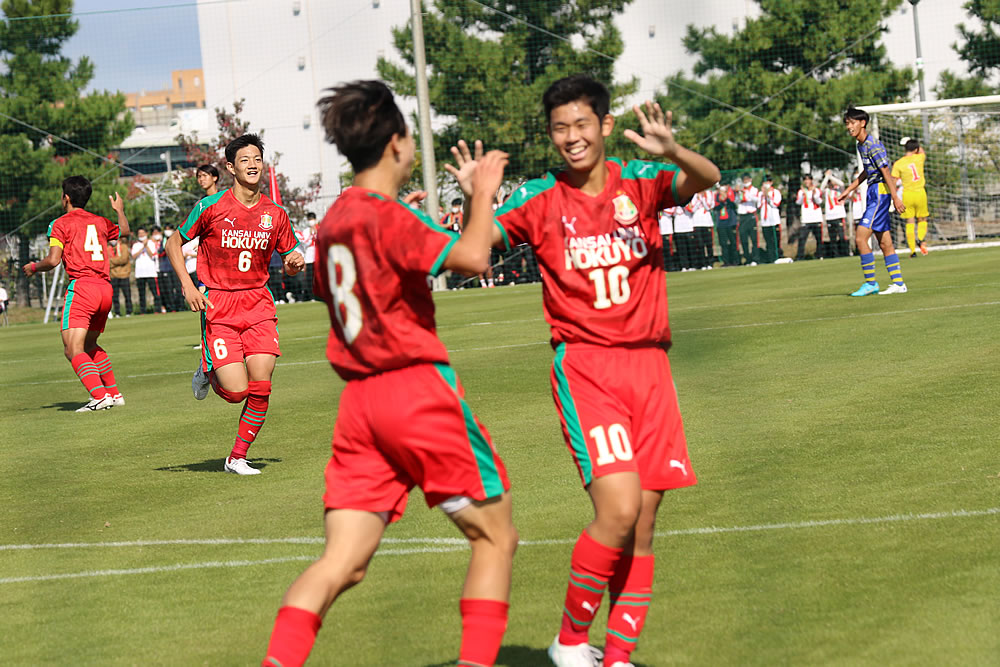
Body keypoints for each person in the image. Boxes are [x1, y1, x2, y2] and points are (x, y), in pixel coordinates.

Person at [450, 74, 719, 667]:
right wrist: (479, 196)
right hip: (588, 369)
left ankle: (618, 655)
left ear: (601, 125)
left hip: (651, 368)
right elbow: (476, 250)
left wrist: (672, 150)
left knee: (642, 525)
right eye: (559, 129)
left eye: (580, 125)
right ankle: (570, 640)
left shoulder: (642, 183)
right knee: (618, 510)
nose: (571, 138)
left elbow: (707, 179)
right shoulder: (542, 198)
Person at [261, 80, 516, 667]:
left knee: (341, 563)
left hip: (359, 406)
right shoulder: (386, 216)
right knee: (495, 537)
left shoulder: (331, 223)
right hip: (415, 390)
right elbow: (473, 258)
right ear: (398, 144)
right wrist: (482, 194)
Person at [165, 133, 305, 475]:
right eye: (245, 160)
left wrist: (294, 262)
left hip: (258, 303)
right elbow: (173, 243)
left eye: (257, 158)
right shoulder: (210, 206)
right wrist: (188, 286)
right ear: (230, 167)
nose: (253, 165)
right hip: (219, 305)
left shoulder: (276, 213)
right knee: (237, 392)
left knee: (262, 384)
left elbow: (290, 257)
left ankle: (237, 457)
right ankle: (206, 369)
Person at [21, 176, 130, 411]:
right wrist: (119, 210)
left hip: (83, 288)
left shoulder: (60, 223)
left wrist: (33, 267)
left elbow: (52, 260)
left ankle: (100, 396)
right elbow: (125, 230)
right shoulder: (100, 221)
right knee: (90, 343)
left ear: (66, 197)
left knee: (72, 348)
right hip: (105, 289)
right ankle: (113, 393)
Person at [837, 106, 907, 296]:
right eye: (847, 124)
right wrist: (849, 189)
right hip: (874, 193)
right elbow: (869, 171)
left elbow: (885, 171)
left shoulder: (872, 145)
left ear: (862, 123)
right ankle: (898, 283)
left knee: (860, 238)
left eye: (852, 123)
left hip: (881, 193)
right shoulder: (861, 145)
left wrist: (895, 197)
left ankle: (871, 283)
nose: (849, 127)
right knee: (884, 243)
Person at [891, 138, 930, 257]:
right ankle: (920, 238)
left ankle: (912, 251)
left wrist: (893, 197)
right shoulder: (919, 158)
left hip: (907, 194)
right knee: (922, 219)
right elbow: (922, 151)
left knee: (910, 221)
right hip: (920, 193)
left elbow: (893, 181)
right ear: (916, 149)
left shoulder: (898, 163)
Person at [131, 225, 160, 314]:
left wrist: (146, 246)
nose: (141, 235)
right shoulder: (135, 245)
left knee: (155, 292)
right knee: (141, 293)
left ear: (146, 233)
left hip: (151, 272)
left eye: (143, 233)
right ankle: (142, 311)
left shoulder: (151, 243)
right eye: (139, 233)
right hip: (140, 273)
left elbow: (152, 255)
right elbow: (134, 256)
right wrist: (142, 247)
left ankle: (157, 310)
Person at [820, 171, 848, 258]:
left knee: (841, 236)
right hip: (830, 216)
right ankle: (836, 255)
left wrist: (831, 176)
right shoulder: (826, 190)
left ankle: (845, 253)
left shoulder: (839, 189)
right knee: (832, 238)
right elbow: (821, 188)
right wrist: (826, 177)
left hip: (839, 215)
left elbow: (842, 183)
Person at [795, 175, 824, 260]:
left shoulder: (817, 190)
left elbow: (819, 201)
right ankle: (800, 257)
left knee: (819, 238)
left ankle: (819, 255)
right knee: (802, 238)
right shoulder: (801, 191)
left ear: (811, 180)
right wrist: (803, 195)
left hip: (816, 218)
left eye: (808, 180)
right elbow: (798, 202)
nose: (807, 182)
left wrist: (814, 193)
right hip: (806, 219)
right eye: (805, 180)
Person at [157, 224, 183, 312]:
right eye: (166, 229)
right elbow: (160, 252)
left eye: (169, 229)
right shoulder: (162, 241)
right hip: (166, 268)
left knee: (178, 288)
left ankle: (181, 306)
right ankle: (171, 307)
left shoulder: (176, 239)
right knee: (169, 289)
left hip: (176, 267)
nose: (167, 231)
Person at [757, 175, 782, 264]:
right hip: (765, 221)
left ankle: (777, 257)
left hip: (774, 221)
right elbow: (758, 206)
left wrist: (768, 195)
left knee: (775, 241)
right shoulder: (760, 194)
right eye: (764, 182)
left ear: (771, 183)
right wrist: (762, 195)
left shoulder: (775, 192)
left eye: (767, 182)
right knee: (768, 241)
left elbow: (775, 204)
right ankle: (771, 259)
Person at [735, 172, 759, 266]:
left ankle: (755, 259)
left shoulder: (754, 190)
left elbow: (755, 199)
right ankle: (747, 258)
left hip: (751, 215)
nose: (745, 181)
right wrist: (738, 193)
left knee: (754, 239)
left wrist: (745, 192)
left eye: (747, 179)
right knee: (743, 239)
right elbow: (737, 201)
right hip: (742, 216)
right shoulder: (741, 190)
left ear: (750, 180)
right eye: (744, 180)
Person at [713, 183, 739, 266]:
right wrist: (721, 200)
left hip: (731, 222)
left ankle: (735, 260)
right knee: (723, 243)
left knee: (733, 242)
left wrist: (726, 198)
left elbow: (733, 204)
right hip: (721, 223)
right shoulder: (717, 195)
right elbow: (715, 207)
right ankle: (726, 261)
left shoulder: (733, 193)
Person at [109, 232, 133, 317]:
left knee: (127, 295)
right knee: (115, 296)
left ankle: (129, 312)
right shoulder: (108, 248)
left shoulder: (124, 247)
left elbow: (123, 259)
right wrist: (115, 261)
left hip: (124, 274)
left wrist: (112, 261)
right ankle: (117, 312)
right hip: (113, 275)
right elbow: (107, 260)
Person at [690, 188, 715, 270]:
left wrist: (703, 198)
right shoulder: (693, 195)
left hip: (707, 222)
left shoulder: (709, 193)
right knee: (700, 244)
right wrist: (698, 200)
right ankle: (703, 263)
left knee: (709, 244)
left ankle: (710, 263)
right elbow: (692, 209)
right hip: (697, 223)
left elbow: (708, 207)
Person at [672, 199, 696, 271]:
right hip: (678, 228)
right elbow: (671, 213)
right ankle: (684, 266)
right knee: (682, 249)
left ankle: (692, 265)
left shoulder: (689, 202)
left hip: (688, 227)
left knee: (691, 248)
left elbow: (692, 210)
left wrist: (684, 204)